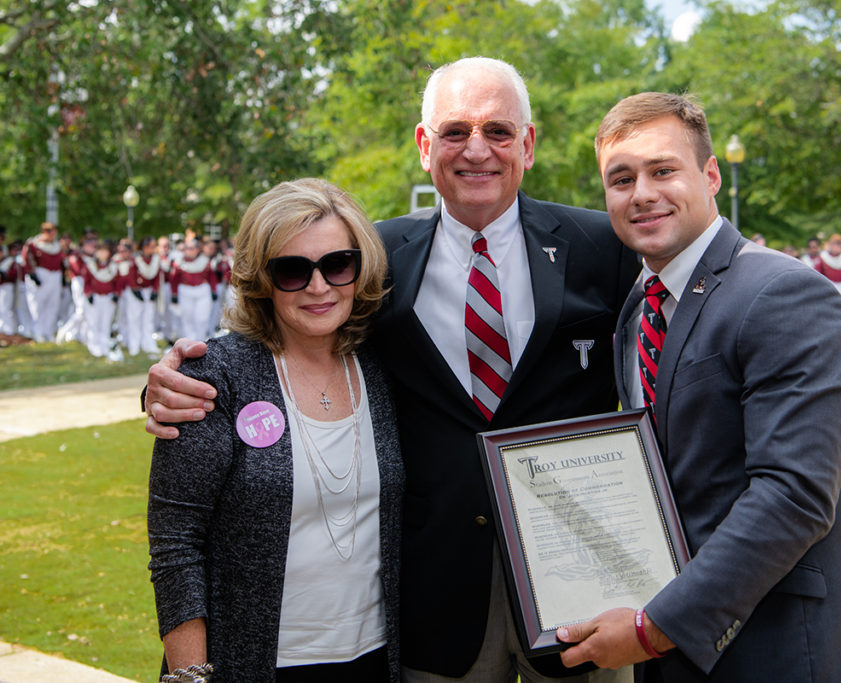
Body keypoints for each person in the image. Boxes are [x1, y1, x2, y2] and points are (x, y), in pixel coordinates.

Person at [144, 57, 637, 683]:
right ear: (425, 146)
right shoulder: (371, 261)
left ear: (529, 144)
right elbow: (283, 333)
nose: (476, 150)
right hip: (434, 598)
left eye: (499, 131)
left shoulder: (605, 248)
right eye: (455, 131)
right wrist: (170, 382)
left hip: (579, 585)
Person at [555, 92, 841, 682]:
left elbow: (792, 496)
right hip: (680, 654)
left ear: (710, 175)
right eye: (621, 179)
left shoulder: (785, 294)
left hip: (781, 650)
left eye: (663, 170)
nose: (641, 193)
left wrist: (652, 628)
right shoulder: (638, 310)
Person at [147, 178, 403, 682]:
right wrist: (189, 676)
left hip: (374, 660)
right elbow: (176, 541)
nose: (319, 286)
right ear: (261, 279)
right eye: (292, 270)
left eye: (337, 264)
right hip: (254, 664)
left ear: (360, 267)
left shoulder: (383, 366)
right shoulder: (214, 377)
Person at [21, 221, 67, 342]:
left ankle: (48, 332)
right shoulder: (33, 244)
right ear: (45, 232)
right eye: (51, 232)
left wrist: (63, 277)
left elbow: (62, 264)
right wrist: (32, 275)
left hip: (55, 276)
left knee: (53, 305)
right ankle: (38, 331)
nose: (53, 234)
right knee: (37, 305)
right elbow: (27, 260)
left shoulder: (57, 247)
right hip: (41, 275)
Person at [169, 238, 219, 342]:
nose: (188, 251)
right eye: (186, 248)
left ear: (197, 249)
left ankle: (200, 341)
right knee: (187, 318)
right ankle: (189, 343)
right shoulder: (178, 263)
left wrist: (214, 291)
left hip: (202, 291)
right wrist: (174, 294)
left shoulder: (205, 261)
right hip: (185, 291)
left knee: (202, 318)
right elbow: (174, 280)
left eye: (191, 248)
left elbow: (212, 277)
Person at [82, 240, 123, 358]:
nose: (102, 254)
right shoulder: (90, 266)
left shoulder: (113, 267)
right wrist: (88, 294)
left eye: (105, 251)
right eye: (100, 251)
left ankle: (104, 345)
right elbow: (86, 282)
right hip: (95, 297)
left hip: (108, 298)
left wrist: (116, 294)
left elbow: (118, 282)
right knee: (94, 322)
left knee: (106, 322)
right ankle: (94, 345)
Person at [125, 236, 163, 355]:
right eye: (150, 246)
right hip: (136, 291)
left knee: (148, 319)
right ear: (144, 247)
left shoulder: (156, 259)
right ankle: (134, 345)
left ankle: (149, 344)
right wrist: (135, 289)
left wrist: (155, 291)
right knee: (135, 319)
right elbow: (131, 276)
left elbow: (157, 276)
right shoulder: (135, 259)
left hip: (149, 290)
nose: (153, 249)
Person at [816, 232, 841, 301]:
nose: (837, 246)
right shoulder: (823, 258)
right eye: (835, 243)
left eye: (840, 244)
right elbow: (818, 275)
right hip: (827, 287)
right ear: (830, 245)